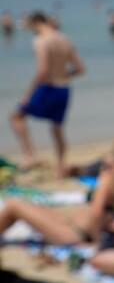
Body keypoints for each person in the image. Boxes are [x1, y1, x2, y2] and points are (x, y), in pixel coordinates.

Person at [0, 150, 114, 247]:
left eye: (107, 166)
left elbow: (96, 212)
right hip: (72, 226)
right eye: (103, 167)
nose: (102, 170)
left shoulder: (108, 179)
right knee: (31, 206)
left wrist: (96, 242)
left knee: (13, 205)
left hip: (72, 234)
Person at [9, 11, 85, 176]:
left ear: (35, 23)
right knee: (57, 129)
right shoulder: (64, 39)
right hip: (64, 88)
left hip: (48, 87)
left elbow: (42, 71)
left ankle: (30, 156)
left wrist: (28, 93)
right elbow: (80, 69)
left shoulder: (40, 40)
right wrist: (64, 75)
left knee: (16, 116)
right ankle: (60, 167)